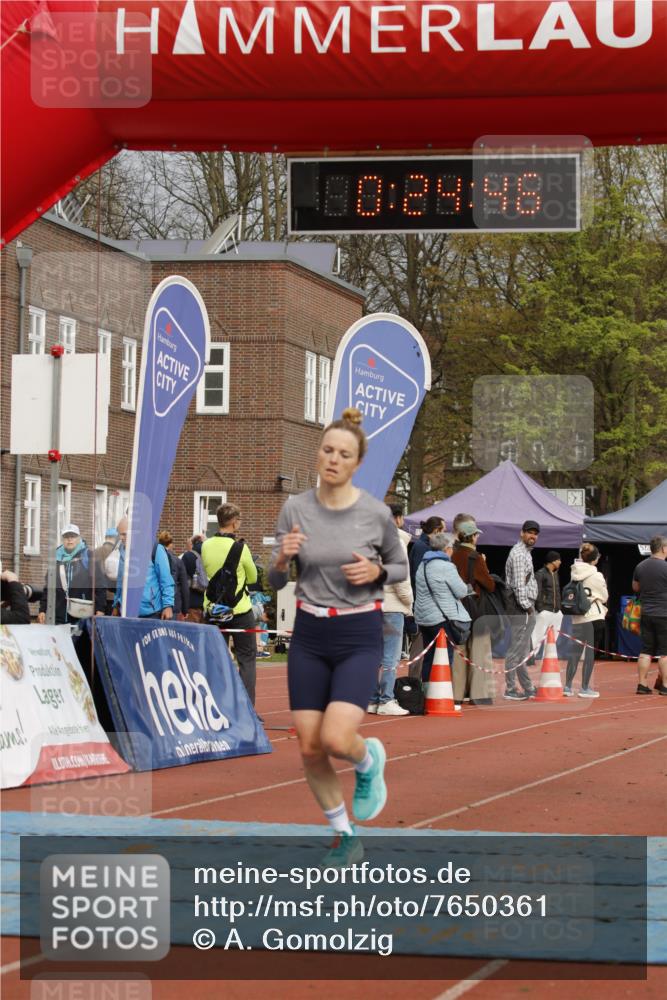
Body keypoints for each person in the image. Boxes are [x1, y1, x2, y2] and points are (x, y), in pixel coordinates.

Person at [268, 408, 407, 868]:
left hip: (357, 632)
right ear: (318, 453)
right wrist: (281, 561)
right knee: (309, 747)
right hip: (309, 632)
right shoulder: (295, 508)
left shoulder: (375, 513)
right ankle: (344, 835)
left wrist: (378, 570)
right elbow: (271, 580)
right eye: (327, 450)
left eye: (343, 454)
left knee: (335, 737)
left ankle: (368, 763)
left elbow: (401, 566)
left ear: (356, 463)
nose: (333, 459)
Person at [201, 503, 258, 705]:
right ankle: (247, 708)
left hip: (214, 609)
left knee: (217, 660)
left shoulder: (206, 545)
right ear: (234, 523)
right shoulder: (241, 548)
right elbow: (252, 577)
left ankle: (217, 706)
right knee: (247, 659)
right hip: (239, 610)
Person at [368, 503, 413, 716]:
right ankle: (386, 699)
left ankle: (371, 698)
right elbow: (400, 577)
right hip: (392, 605)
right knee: (390, 657)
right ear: (398, 519)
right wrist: (409, 603)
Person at [414, 532, 470, 685]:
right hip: (441, 618)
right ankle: (441, 697)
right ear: (446, 549)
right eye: (452, 547)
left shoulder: (422, 565)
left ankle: (427, 695)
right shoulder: (447, 567)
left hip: (424, 618)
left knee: (429, 657)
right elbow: (461, 591)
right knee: (445, 658)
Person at [450, 520, 496, 704]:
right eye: (477, 535)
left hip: (455, 607)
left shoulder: (452, 554)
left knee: (459, 652)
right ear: (472, 536)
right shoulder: (474, 557)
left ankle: (457, 695)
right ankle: (479, 694)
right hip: (474, 607)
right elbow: (489, 585)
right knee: (479, 651)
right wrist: (484, 563)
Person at [37, 524, 106, 625]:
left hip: (82, 613)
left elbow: (100, 583)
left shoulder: (88, 556)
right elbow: (49, 586)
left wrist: (100, 609)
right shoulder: (56, 558)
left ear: (78, 538)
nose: (69, 540)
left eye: (73, 536)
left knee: (80, 640)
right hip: (59, 614)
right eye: (66, 537)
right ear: (62, 539)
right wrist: (42, 609)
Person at [563, 543, 608, 697]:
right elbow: (604, 596)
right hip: (594, 617)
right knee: (590, 654)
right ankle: (584, 687)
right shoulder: (597, 575)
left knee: (574, 653)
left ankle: (567, 686)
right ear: (595, 559)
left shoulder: (574, 573)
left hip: (577, 618)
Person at [503, 520, 540, 700]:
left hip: (523, 606)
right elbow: (518, 585)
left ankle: (527, 686)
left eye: (535, 533)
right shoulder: (519, 554)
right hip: (521, 607)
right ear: (521, 533)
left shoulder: (525, 553)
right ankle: (510, 688)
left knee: (521, 650)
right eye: (529, 532)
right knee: (516, 649)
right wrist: (527, 607)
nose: (532, 536)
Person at [112, 517, 174, 620]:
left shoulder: (155, 549)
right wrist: (116, 604)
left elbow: (166, 579)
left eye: (124, 534)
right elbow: (120, 581)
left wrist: (168, 606)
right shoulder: (122, 551)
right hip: (126, 612)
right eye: (119, 534)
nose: (121, 538)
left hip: (151, 612)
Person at [632, 534, 667, 696]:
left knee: (646, 650)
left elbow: (635, 587)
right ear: (663, 548)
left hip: (645, 612)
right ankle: (665, 685)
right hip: (664, 613)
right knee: (664, 652)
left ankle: (642, 684)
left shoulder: (640, 566)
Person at [533, 550, 563, 658]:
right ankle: (530, 658)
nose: (560, 562)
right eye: (558, 559)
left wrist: (559, 608)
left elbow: (558, 592)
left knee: (552, 638)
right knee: (537, 636)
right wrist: (541, 609)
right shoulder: (540, 574)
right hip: (545, 611)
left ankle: (548, 659)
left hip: (556, 611)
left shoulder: (555, 574)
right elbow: (537, 592)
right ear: (552, 561)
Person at [157, 530, 190, 620]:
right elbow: (184, 586)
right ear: (171, 544)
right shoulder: (178, 561)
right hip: (173, 605)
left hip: (156, 605)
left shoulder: (154, 560)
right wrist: (185, 609)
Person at [408, 515, 445, 592]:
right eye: (443, 531)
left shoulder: (428, 545)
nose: (444, 534)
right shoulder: (421, 546)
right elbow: (418, 575)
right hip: (421, 596)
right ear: (436, 530)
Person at [181, 534, 208, 620]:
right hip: (208, 605)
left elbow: (181, 579)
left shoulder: (188, 555)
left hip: (192, 603)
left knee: (191, 632)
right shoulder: (209, 555)